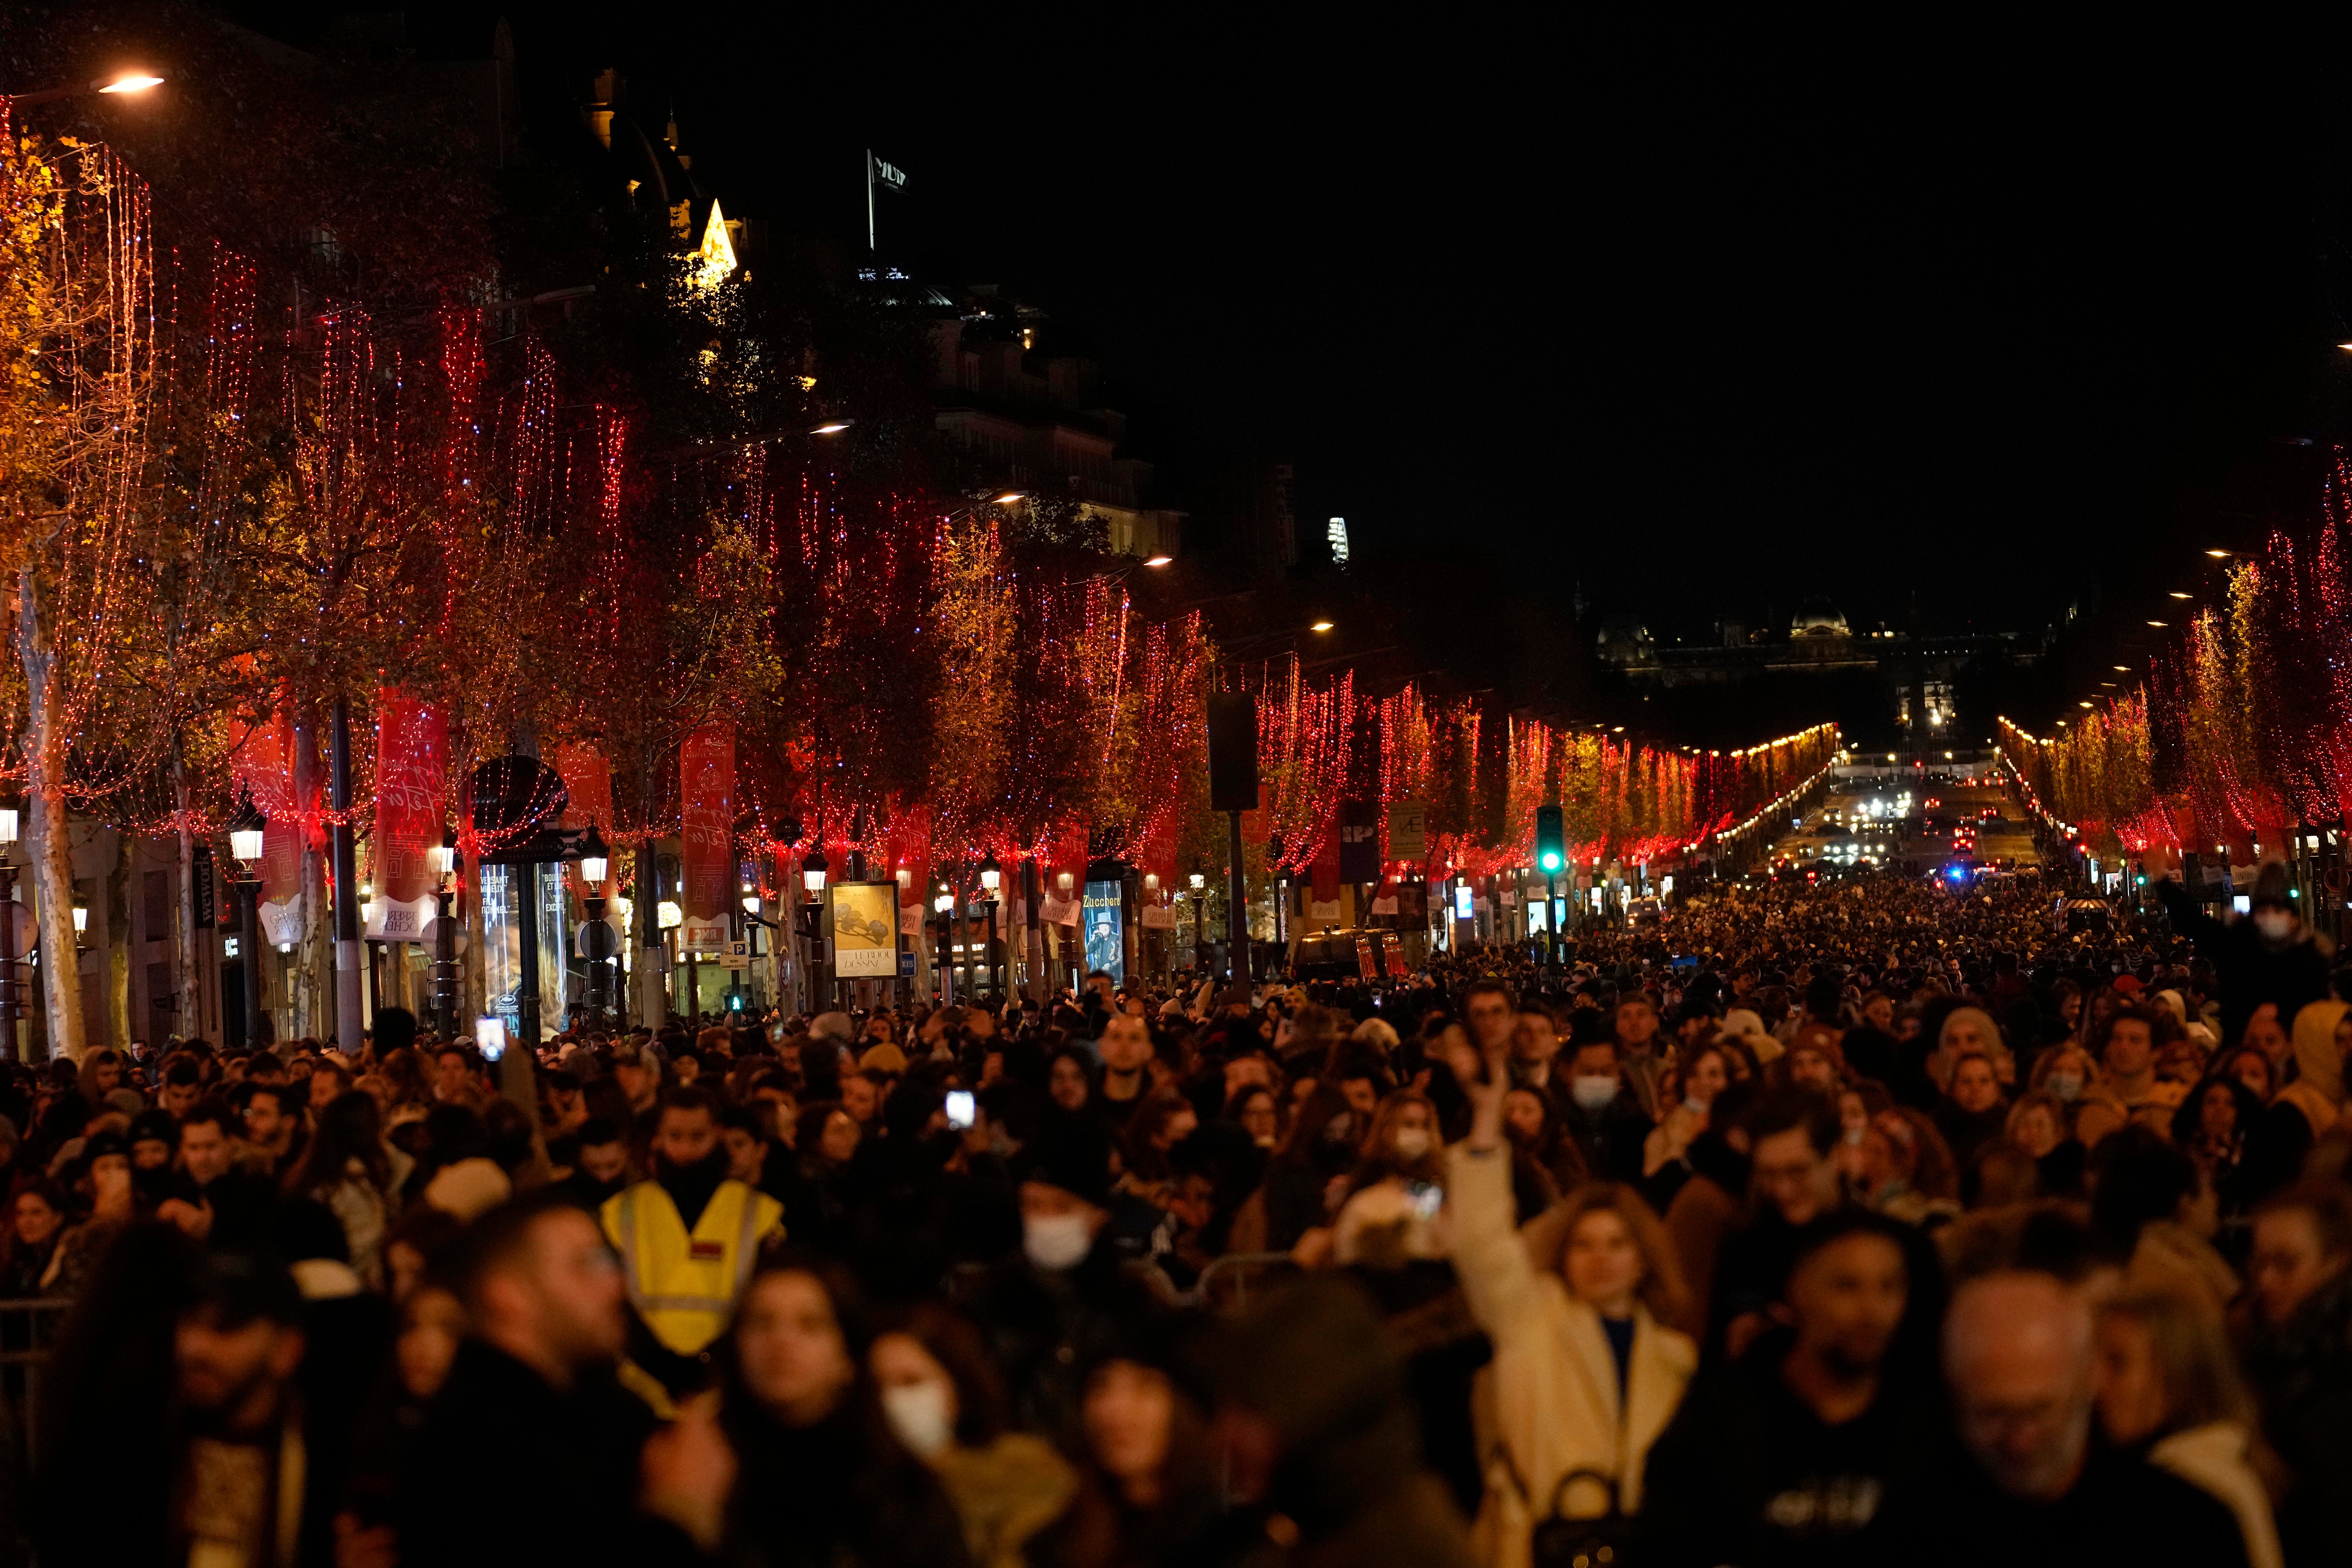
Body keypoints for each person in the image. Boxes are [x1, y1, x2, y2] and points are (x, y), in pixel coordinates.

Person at [1448, 1023, 1695, 1568]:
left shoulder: (1676, 1358)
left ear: (1641, 1257)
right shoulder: (1530, 1319)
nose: (1600, 1257)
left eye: (1616, 1243)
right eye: (1583, 1244)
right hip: (1539, 1543)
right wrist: (1488, 1123)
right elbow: (1482, 1242)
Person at [1642, 1210, 1939, 1565]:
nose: (1871, 1310)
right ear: (1798, 1288)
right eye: (1847, 1286)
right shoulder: (1724, 1416)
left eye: (1889, 1287)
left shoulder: (1927, 1423)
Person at [639, 1256, 975, 1567]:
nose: (782, 1341)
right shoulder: (699, 1467)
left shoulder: (901, 1488)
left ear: (846, 1358)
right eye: (761, 1323)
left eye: (810, 1325)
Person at [1902, 1269, 2251, 1565]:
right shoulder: (1911, 1532)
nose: (2021, 1440)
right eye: (1994, 1415)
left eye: (2041, 1410)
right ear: (1954, 1398)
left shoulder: (2186, 1529)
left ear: (2090, 1381)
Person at [390, 1191, 655, 1568]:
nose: (615, 1285)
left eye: (609, 1263)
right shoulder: (480, 1453)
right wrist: (676, 1519)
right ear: (510, 1296)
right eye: (584, 1267)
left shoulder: (602, 1415)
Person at [600, 1086, 785, 1402]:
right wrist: (664, 1365)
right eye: (675, 1136)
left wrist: (710, 1365)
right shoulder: (621, 1212)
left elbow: (766, 1306)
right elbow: (606, 1304)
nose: (685, 1150)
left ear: (717, 1135)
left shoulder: (759, 1214)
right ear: (658, 1136)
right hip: (637, 1392)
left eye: (697, 1137)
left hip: (726, 1389)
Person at [869, 1301, 1077, 1568]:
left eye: (911, 1381)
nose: (891, 1400)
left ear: (957, 1384)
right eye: (878, 1387)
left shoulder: (1026, 1479)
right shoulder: (871, 1491)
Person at [2094, 1287, 2283, 1568]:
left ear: (2178, 1376)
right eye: (2091, 1361)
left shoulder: (2197, 1490)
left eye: (2117, 1364)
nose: (2095, 1383)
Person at [2238, 1180, 2352, 1566]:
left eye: (2286, 1264)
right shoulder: (2250, 1341)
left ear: (2338, 1261)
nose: (2266, 1281)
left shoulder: (2334, 1359)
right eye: (2259, 1262)